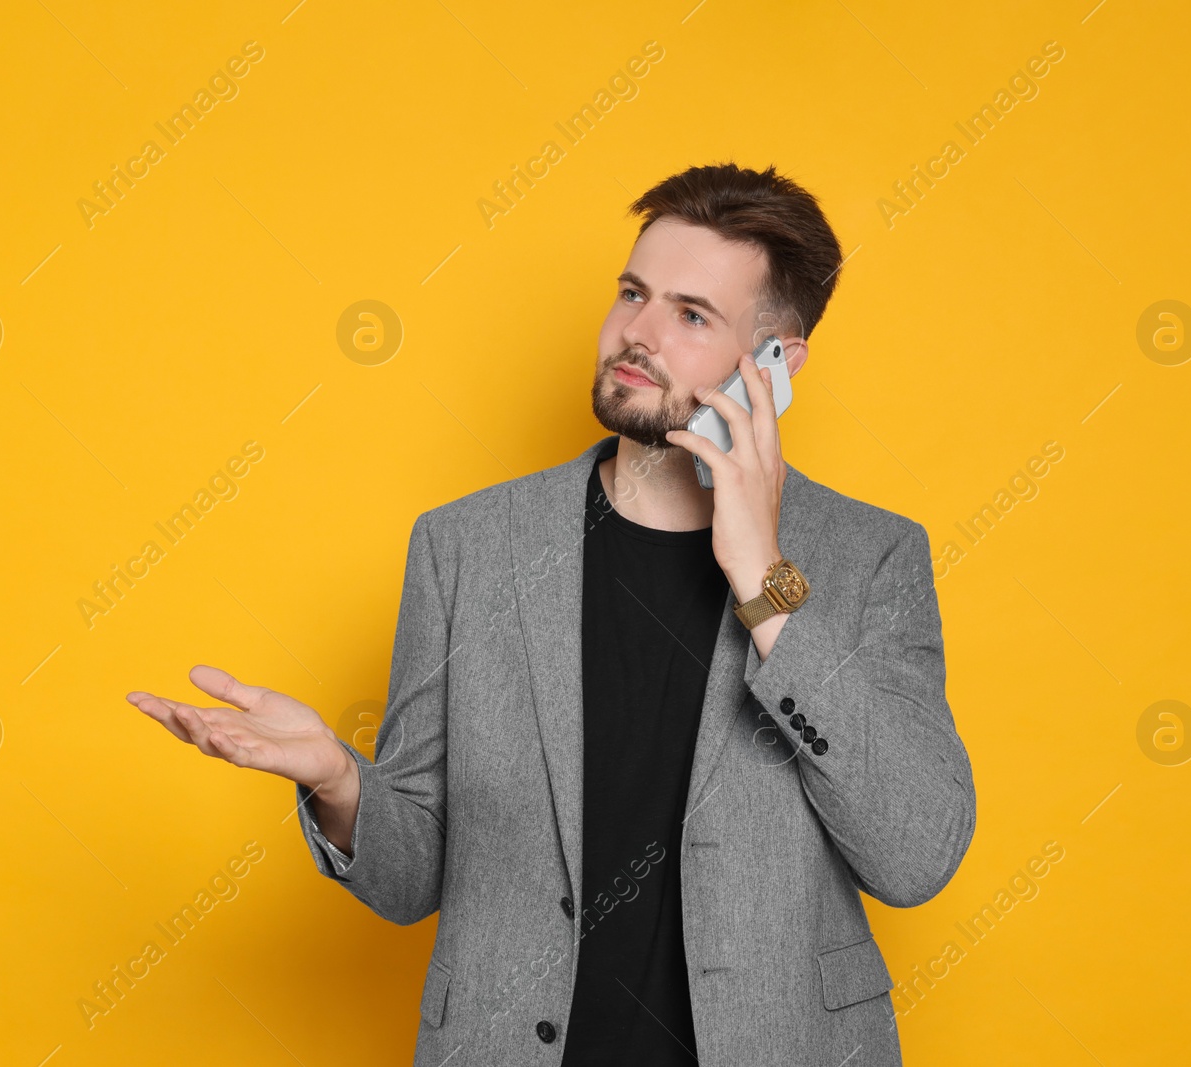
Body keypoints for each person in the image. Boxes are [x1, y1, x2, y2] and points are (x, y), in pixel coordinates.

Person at [128, 162, 976, 1066]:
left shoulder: (870, 556)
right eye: (632, 293)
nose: (636, 333)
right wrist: (341, 781)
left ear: (777, 361)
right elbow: (417, 876)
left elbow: (915, 852)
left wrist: (766, 581)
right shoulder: (467, 548)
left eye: (691, 315)